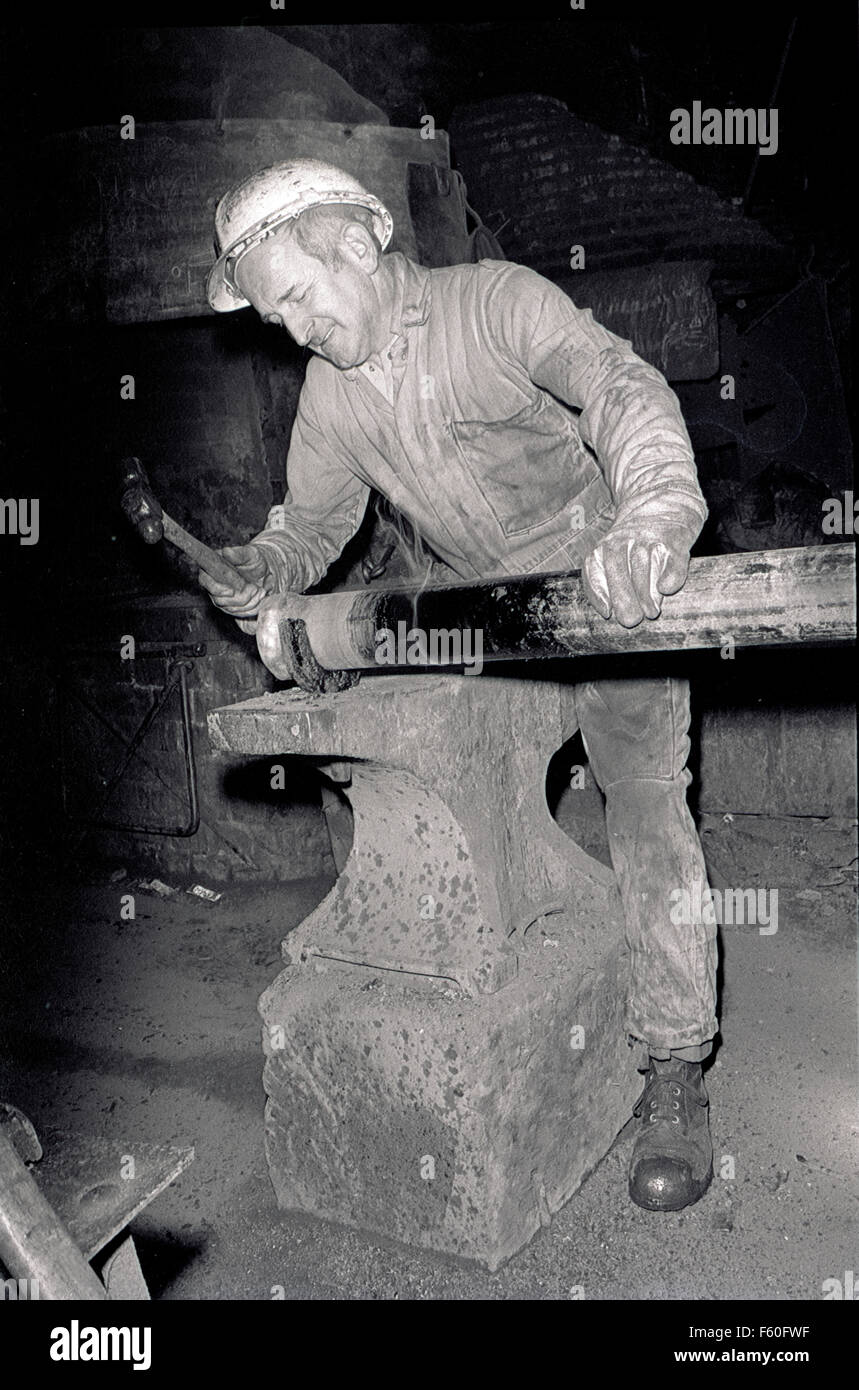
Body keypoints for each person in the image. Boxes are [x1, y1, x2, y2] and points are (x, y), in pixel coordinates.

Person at [202, 159, 717, 1212]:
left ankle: (673, 1068)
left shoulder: (493, 304)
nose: (291, 330)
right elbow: (307, 531)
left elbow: (622, 388)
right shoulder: (331, 397)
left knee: (646, 804)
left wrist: (653, 512)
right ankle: (486, 966)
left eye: (295, 297)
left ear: (354, 244)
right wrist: (261, 572)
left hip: (602, 590)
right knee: (420, 784)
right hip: (481, 619)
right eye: (272, 317)